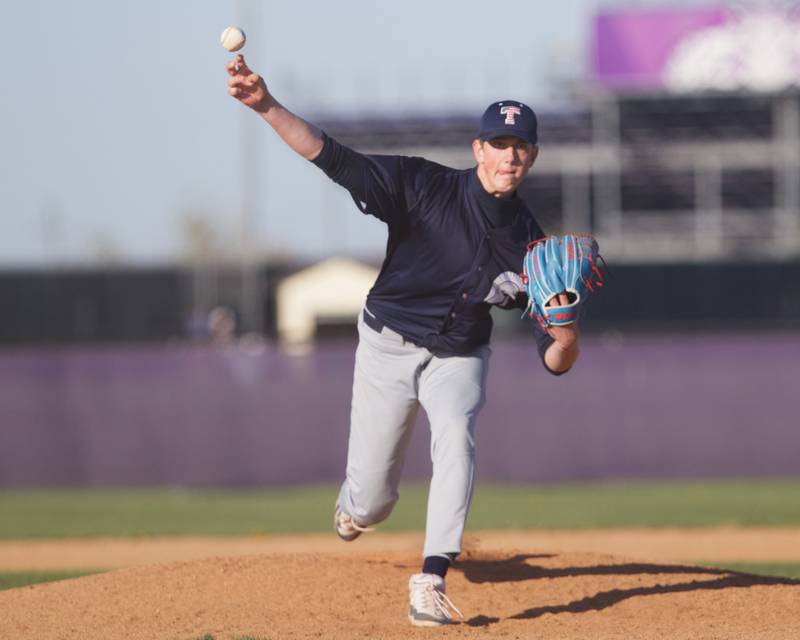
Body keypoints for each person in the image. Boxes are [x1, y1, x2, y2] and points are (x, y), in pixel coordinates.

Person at [226, 54, 581, 627]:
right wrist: (266, 105)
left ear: (533, 156)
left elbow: (556, 360)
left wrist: (566, 333)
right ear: (477, 149)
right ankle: (353, 508)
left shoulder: (533, 248)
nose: (508, 155)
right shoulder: (423, 185)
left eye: (520, 146)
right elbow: (332, 157)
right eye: (498, 142)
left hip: (460, 353)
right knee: (373, 502)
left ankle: (431, 579)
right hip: (387, 344)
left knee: (457, 440)